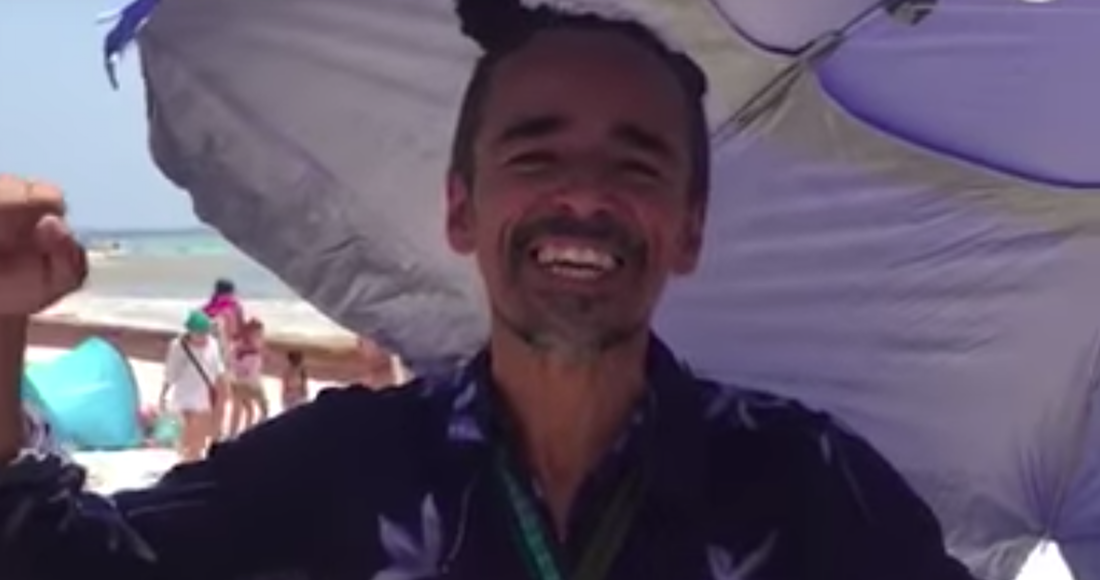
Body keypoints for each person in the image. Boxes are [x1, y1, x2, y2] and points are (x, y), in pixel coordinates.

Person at [0, 2, 976, 579]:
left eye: (636, 163)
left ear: (688, 228)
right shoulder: (344, 468)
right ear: (462, 209)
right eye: (535, 153)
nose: (584, 195)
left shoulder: (808, 487)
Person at [159, 310, 225, 462]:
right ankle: (187, 462)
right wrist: (163, 394)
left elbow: (218, 371)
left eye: (206, 332)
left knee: (198, 441)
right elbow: (170, 372)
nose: (203, 336)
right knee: (186, 439)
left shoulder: (213, 344)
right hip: (183, 397)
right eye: (200, 333)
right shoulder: (178, 346)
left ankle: (192, 462)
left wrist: (220, 399)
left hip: (203, 398)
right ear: (190, 331)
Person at [202, 277, 244, 438]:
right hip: (227, 356)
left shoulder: (206, 310)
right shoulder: (234, 307)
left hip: (206, 357)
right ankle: (225, 432)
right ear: (231, 292)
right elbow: (237, 332)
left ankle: (213, 428)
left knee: (211, 394)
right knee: (232, 396)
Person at [227, 318, 269, 433]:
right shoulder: (240, 348)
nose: (260, 337)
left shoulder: (252, 347)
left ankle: (244, 432)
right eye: (257, 334)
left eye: (261, 334)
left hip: (250, 383)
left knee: (251, 409)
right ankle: (234, 433)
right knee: (241, 408)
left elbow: (233, 362)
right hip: (245, 383)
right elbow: (232, 362)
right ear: (249, 334)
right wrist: (240, 372)